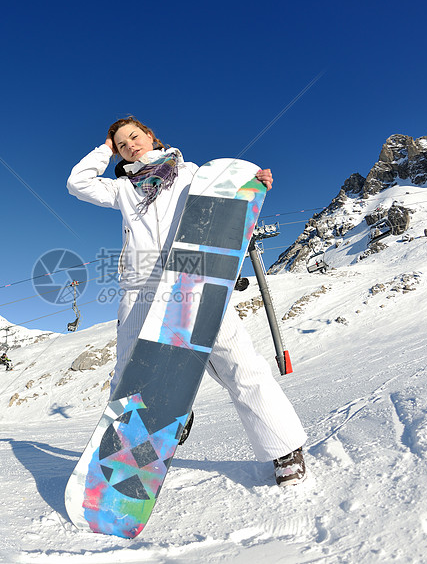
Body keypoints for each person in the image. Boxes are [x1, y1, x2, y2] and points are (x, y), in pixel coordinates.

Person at [66, 117, 308, 486]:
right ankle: (142, 450)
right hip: (140, 289)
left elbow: (233, 197)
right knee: (128, 381)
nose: (130, 145)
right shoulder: (123, 189)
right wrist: (104, 148)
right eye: (121, 144)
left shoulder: (193, 173)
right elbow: (77, 183)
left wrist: (254, 183)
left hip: (196, 280)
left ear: (151, 136)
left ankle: (284, 449)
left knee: (239, 365)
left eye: (135, 136)